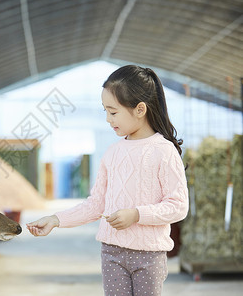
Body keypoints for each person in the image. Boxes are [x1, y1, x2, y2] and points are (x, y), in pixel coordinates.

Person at [27, 65, 189, 296]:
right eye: (105, 111)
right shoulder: (112, 153)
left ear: (140, 109)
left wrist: (136, 214)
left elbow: (178, 206)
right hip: (111, 253)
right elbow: (96, 204)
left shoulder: (164, 151)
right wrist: (55, 219)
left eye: (113, 112)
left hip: (149, 256)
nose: (107, 119)